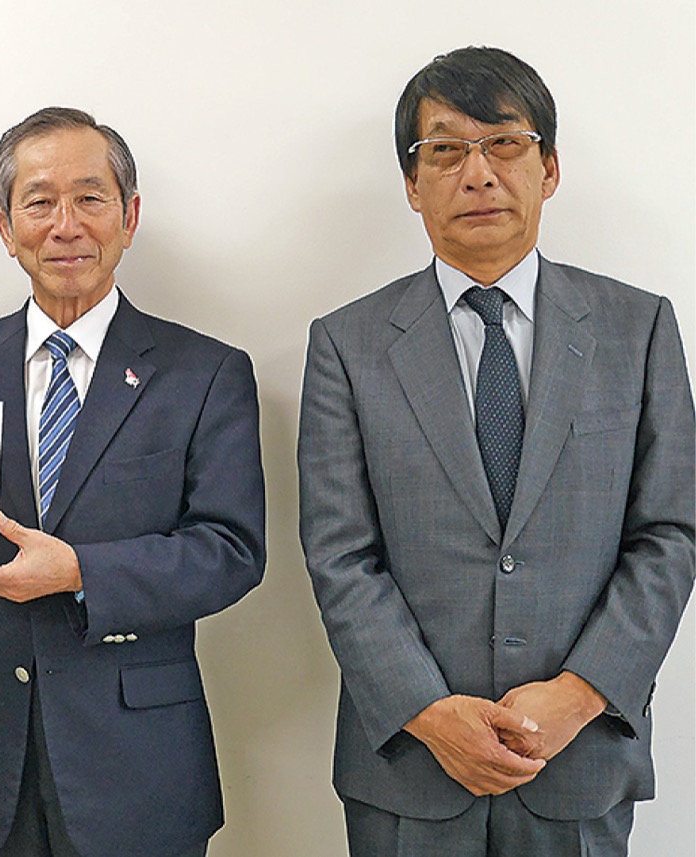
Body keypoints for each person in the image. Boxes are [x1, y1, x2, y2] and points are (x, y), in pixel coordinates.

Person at [297, 46, 695, 856]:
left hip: (580, 760)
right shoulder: (346, 343)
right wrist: (430, 712)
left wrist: (579, 694)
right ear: (413, 185)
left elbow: (670, 532)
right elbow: (340, 553)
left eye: (505, 144)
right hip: (409, 769)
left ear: (549, 168)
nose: (477, 174)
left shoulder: (639, 327)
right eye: (445, 150)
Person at [0, 107, 266, 857]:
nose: (66, 225)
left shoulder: (205, 373)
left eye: (89, 198)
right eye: (40, 202)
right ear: (5, 226)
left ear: (129, 216)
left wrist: (81, 570)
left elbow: (231, 551)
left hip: (141, 761)